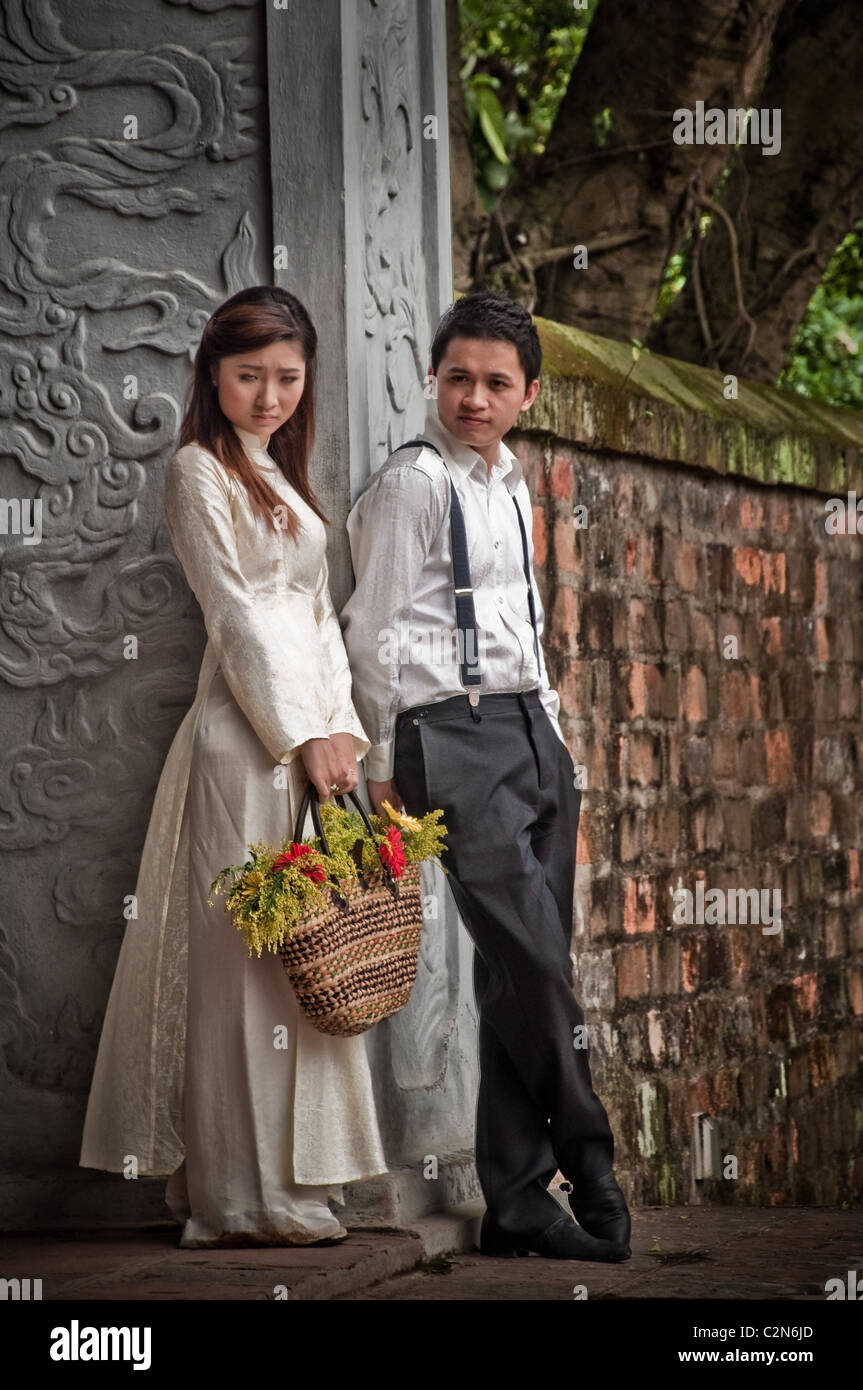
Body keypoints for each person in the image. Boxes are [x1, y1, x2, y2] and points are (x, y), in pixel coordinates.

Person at [79, 286, 387, 1247]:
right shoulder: (198, 471)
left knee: (298, 961)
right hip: (240, 741)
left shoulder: (281, 478)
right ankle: (238, 1195)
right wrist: (299, 734)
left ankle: (292, 1181)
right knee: (245, 964)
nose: (268, 395)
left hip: (306, 742)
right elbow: (239, 614)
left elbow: (315, 621)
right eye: (250, 375)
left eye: (288, 378)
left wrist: (343, 735)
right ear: (213, 371)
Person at [340, 291, 631, 1262]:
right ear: (433, 377)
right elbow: (372, 634)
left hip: (528, 733)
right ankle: (589, 1159)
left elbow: (519, 619)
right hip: (447, 738)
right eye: (456, 376)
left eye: (494, 382)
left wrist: (552, 735)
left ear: (527, 394)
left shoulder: (509, 480)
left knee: (521, 964)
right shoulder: (410, 484)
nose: (472, 396)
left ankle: (512, 1200)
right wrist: (380, 767)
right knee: (535, 962)